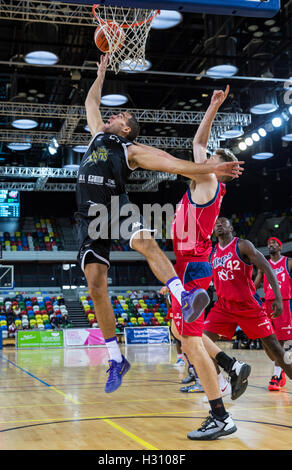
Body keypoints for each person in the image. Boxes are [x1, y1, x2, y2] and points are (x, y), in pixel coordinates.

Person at [75, 54, 244, 395]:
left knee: (146, 242)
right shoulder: (96, 136)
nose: (113, 114)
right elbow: (91, 101)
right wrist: (102, 74)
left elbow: (173, 164)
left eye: (121, 115)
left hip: (113, 207)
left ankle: (182, 296)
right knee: (96, 286)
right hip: (87, 216)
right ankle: (115, 358)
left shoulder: (129, 149)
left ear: (125, 129)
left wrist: (210, 169)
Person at [168, 87, 247, 440]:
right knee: (182, 334)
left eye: (209, 157)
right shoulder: (209, 181)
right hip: (191, 268)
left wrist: (212, 111)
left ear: (219, 166)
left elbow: (198, 147)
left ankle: (220, 415)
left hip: (193, 268)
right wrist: (213, 106)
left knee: (190, 342)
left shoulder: (208, 178)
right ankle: (232, 364)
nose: (201, 157)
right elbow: (199, 144)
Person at [203, 218, 292, 395]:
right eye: (216, 223)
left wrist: (279, 298)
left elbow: (266, 267)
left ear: (231, 228)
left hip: (248, 306)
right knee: (201, 342)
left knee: (275, 348)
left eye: (223, 222)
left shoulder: (242, 245)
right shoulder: (212, 253)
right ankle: (222, 384)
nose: (218, 225)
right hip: (223, 306)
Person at [254, 237, 292, 390]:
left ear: (280, 247)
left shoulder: (289, 262)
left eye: (275, 243)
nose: (271, 244)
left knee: (280, 342)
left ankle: (276, 376)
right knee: (266, 340)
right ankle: (281, 369)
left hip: (284, 303)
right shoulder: (264, 264)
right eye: (269, 243)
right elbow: (256, 284)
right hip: (266, 304)